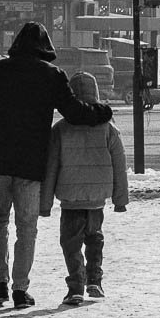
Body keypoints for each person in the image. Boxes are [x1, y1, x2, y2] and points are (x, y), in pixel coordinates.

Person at [0, 23, 113, 310]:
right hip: (31, 165)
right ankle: (21, 290)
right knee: (27, 227)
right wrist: (102, 111)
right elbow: (73, 112)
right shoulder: (50, 75)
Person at [41, 71, 129, 306]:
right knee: (94, 239)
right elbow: (119, 165)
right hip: (97, 200)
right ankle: (95, 280)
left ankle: (76, 287)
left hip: (70, 200)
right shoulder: (108, 128)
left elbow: (50, 168)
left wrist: (45, 204)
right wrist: (120, 200)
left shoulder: (60, 129)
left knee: (70, 243)